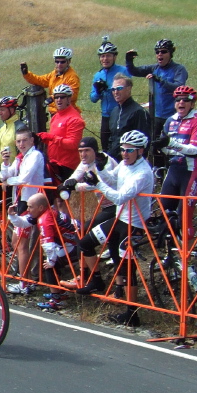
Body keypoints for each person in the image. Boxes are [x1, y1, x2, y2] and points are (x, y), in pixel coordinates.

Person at [75, 130, 154, 327]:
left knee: (127, 269)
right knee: (85, 243)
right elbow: (111, 179)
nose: (124, 154)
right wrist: (101, 168)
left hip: (133, 224)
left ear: (140, 151)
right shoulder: (125, 165)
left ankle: (132, 314)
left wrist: (97, 183)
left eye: (130, 150)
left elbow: (119, 197)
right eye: (122, 150)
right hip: (120, 219)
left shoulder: (143, 173)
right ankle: (97, 281)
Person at [7, 193, 78, 311]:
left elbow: (48, 245)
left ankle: (56, 300)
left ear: (40, 207)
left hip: (74, 245)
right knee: (52, 262)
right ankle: (59, 292)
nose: (27, 210)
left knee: (49, 266)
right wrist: (11, 215)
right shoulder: (45, 212)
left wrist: (51, 261)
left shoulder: (44, 219)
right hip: (69, 243)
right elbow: (23, 223)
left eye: (30, 207)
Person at [155, 86, 197, 237]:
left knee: (184, 215)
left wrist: (170, 143)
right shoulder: (170, 121)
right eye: (178, 100)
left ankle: (188, 250)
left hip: (191, 171)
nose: (181, 102)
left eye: (185, 100)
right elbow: (167, 149)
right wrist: (160, 147)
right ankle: (170, 247)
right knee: (165, 211)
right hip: (174, 169)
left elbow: (194, 150)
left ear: (192, 103)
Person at [0, 128, 46, 294]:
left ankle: (24, 284)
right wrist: (5, 162)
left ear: (32, 140)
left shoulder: (35, 156)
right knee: (16, 243)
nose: (21, 144)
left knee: (21, 244)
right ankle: (26, 279)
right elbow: (4, 176)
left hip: (31, 202)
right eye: (18, 141)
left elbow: (24, 178)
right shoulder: (20, 157)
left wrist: (9, 181)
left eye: (24, 140)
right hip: (20, 201)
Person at [125, 39, 188, 152]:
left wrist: (160, 80)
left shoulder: (179, 69)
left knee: (172, 147)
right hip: (156, 116)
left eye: (163, 51)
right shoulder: (154, 68)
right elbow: (134, 71)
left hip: (173, 115)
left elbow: (179, 88)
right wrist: (129, 61)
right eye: (157, 52)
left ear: (170, 53)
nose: (160, 54)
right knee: (154, 147)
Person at [38, 84, 84, 185]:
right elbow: (56, 139)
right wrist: (47, 140)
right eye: (56, 97)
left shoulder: (75, 119)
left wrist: (51, 137)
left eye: (62, 97)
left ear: (69, 99)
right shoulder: (56, 116)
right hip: (54, 163)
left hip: (67, 166)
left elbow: (73, 144)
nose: (59, 100)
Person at [89, 40, 127, 150]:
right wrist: (98, 91)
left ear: (114, 57)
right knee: (105, 148)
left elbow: (126, 91)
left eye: (108, 56)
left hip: (121, 114)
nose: (105, 59)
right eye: (102, 56)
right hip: (106, 116)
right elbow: (93, 99)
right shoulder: (98, 75)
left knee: (121, 146)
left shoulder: (123, 71)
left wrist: (109, 89)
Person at [21, 47, 80, 115]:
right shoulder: (54, 74)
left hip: (67, 112)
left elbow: (73, 95)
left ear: (69, 62)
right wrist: (26, 74)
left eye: (62, 62)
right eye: (57, 61)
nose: (59, 64)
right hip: (55, 113)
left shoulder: (72, 77)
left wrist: (53, 97)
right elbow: (40, 81)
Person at [106, 73, 149, 161]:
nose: (115, 92)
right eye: (113, 89)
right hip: (114, 160)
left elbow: (144, 142)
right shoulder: (114, 111)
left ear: (129, 89)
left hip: (131, 161)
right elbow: (112, 138)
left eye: (119, 88)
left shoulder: (138, 112)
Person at [0, 96, 20, 168]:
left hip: (14, 171)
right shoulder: (0, 128)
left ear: (12, 110)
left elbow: (23, 153)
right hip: (0, 170)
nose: (0, 113)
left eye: (2, 110)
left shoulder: (19, 128)